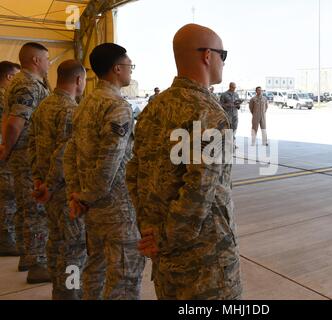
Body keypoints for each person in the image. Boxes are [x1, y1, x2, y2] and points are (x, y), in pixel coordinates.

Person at [126, 23, 242, 300]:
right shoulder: (209, 114)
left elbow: (133, 174)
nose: (223, 63)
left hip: (164, 256)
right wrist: (166, 239)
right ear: (206, 56)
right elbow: (199, 191)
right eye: (222, 55)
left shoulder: (155, 107)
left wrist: (152, 232)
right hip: (205, 263)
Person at [63, 43, 145, 300]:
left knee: (94, 268)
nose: (131, 71)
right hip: (116, 209)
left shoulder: (84, 104)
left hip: (92, 207)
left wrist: (77, 194)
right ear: (117, 69)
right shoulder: (117, 106)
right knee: (124, 277)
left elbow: (69, 154)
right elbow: (110, 160)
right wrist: (88, 195)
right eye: (129, 66)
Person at [28, 60, 87, 300]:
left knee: (56, 243)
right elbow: (65, 153)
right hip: (63, 191)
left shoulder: (44, 106)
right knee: (74, 248)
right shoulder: (71, 110)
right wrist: (50, 185)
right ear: (78, 80)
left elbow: (31, 145)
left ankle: (60, 291)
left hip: (48, 190)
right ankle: (71, 292)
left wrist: (39, 181)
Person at [0, 42, 51, 283]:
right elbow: (14, 122)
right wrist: (7, 148)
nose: (49, 64)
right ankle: (38, 263)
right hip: (28, 155)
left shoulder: (21, 83)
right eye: (47, 59)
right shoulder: (27, 84)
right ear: (36, 60)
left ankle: (28, 257)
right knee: (35, 209)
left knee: (25, 206)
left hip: (24, 154)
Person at [0, 61, 20, 256]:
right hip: (4, 154)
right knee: (7, 198)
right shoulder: (4, 97)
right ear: (9, 78)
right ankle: (6, 239)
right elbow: (8, 125)